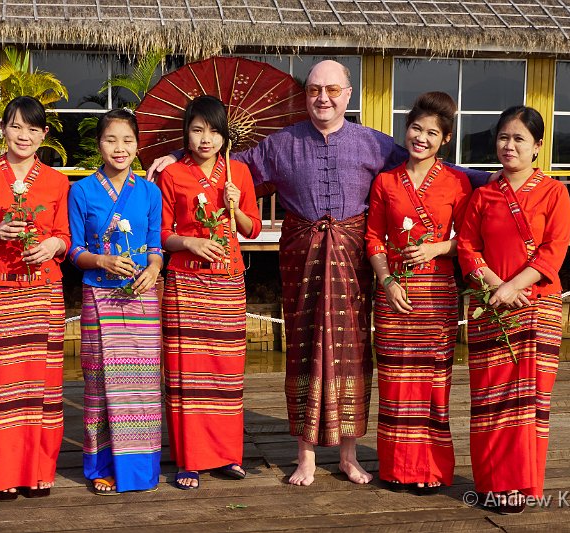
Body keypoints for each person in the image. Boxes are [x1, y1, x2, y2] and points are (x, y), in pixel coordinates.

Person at [148, 60, 490, 486]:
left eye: (332, 90)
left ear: (349, 95)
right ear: (305, 95)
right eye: (313, 90)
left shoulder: (376, 145)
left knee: (352, 352)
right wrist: (175, 156)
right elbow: (219, 163)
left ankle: (348, 455)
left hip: (352, 259)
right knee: (303, 348)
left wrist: (500, 179)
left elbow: (439, 167)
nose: (322, 98)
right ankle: (305, 455)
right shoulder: (280, 144)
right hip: (302, 259)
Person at [456, 106, 570, 513]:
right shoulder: (482, 196)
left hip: (537, 306)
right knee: (491, 398)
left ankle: (521, 484)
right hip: (491, 307)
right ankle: (491, 482)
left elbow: (552, 253)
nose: (509, 146)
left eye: (520, 139)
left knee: (529, 401)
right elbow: (467, 248)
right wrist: (496, 287)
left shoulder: (554, 193)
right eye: (504, 137)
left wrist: (512, 287)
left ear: (537, 147)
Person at [0, 96, 70, 501]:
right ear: (2, 128)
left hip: (42, 291)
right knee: (1, 387)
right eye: (16, 126)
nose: (24, 135)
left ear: (44, 135)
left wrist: (53, 244)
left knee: (42, 386)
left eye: (33, 128)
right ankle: (4, 476)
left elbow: (65, 236)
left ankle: (40, 473)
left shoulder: (57, 181)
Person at [365, 92, 471, 495]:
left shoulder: (457, 183)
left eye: (431, 132)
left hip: (437, 292)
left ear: (445, 139)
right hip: (393, 293)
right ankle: (395, 468)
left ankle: (431, 469)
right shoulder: (386, 181)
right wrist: (387, 281)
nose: (420, 138)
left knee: (432, 382)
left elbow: (468, 239)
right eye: (415, 128)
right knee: (394, 379)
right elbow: (373, 238)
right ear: (405, 129)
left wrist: (437, 247)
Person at [158, 95, 262, 490]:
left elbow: (252, 230)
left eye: (214, 131)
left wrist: (235, 208)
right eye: (198, 129)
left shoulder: (239, 173)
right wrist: (189, 243)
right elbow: (162, 235)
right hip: (186, 280)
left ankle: (227, 456)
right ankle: (189, 458)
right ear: (186, 131)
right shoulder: (171, 175)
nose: (205, 139)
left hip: (228, 280)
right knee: (187, 371)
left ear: (224, 135)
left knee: (226, 371)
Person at [68, 109, 163, 495]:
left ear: (138, 146)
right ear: (98, 145)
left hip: (142, 295)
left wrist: (155, 268)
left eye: (127, 140)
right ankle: (102, 467)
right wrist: (102, 260)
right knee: (101, 384)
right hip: (99, 295)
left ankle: (140, 469)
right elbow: (73, 250)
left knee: (141, 384)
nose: (119, 148)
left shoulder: (149, 192)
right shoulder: (81, 191)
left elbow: (156, 245)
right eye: (111, 140)